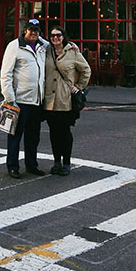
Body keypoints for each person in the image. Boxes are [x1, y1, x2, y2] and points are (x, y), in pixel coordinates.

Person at [0, 18, 48, 178]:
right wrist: (9, 98)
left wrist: (71, 46)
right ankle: (13, 166)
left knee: (33, 137)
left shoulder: (42, 47)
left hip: (37, 101)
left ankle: (31, 165)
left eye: (36, 31)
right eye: (30, 30)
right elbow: (5, 74)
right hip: (19, 101)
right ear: (24, 30)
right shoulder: (14, 46)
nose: (33, 33)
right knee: (15, 135)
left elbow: (55, 45)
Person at [43, 26, 91, 176]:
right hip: (50, 99)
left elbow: (86, 70)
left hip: (65, 99)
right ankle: (56, 162)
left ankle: (66, 163)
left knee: (64, 132)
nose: (55, 38)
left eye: (58, 35)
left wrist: (79, 87)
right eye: (52, 36)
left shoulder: (73, 52)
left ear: (63, 36)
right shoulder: (47, 50)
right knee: (53, 132)